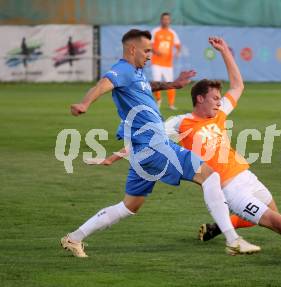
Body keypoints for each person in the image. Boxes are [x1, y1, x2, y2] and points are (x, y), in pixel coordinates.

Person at [90, 36, 281, 259]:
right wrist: (115, 156)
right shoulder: (181, 123)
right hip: (228, 189)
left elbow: (238, 84)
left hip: (247, 176)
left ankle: (216, 228)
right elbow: (148, 139)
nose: (219, 101)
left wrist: (225, 51)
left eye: (219, 98)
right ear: (200, 99)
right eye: (214, 97)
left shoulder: (220, 113)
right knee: (280, 223)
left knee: (274, 214)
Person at [61, 29, 260, 258]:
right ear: (132, 49)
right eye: (146, 50)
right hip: (154, 146)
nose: (150, 55)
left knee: (129, 206)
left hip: (141, 152)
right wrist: (85, 103)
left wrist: (172, 85)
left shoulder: (134, 72)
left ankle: (74, 238)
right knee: (210, 175)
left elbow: (146, 86)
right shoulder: (121, 70)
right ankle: (233, 240)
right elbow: (104, 83)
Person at [151, 12, 181, 110]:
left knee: (170, 84)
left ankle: (171, 105)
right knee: (156, 83)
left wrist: (177, 52)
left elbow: (178, 45)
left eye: (167, 19)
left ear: (170, 21)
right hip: (156, 62)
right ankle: (158, 100)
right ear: (161, 20)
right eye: (164, 19)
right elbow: (149, 44)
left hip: (168, 64)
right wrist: (155, 51)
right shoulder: (155, 31)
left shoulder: (172, 33)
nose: (166, 21)